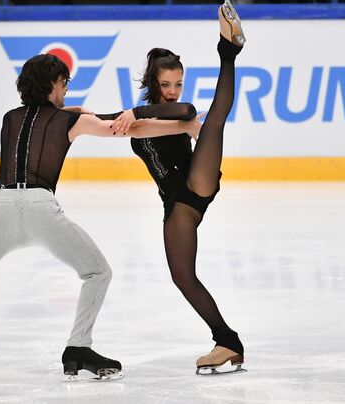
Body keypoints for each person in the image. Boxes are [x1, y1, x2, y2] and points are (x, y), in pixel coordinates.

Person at [0, 53, 201, 388]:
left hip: (0, 208)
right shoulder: (67, 121)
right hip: (41, 208)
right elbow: (125, 128)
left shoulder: (10, 118)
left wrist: (76, 112)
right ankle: (78, 348)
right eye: (63, 83)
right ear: (53, 84)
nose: (66, 89)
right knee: (98, 272)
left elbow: (47, 117)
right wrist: (185, 126)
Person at [97, 0, 246, 374]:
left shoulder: (164, 112)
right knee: (182, 276)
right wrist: (62, 114)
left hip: (195, 179)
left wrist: (140, 113)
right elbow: (99, 119)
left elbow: (187, 112)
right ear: (153, 83)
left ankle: (228, 51)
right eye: (166, 85)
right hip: (176, 205)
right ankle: (227, 341)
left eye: (177, 83)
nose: (173, 91)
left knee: (214, 121)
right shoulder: (135, 119)